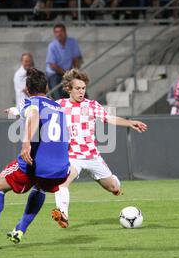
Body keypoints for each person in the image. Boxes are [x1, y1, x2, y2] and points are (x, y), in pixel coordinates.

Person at [0, 68, 71, 251]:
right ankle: (20, 230)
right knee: (40, 187)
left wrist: (26, 142)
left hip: (36, 163)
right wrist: (16, 111)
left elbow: (33, 113)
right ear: (47, 87)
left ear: (26, 89)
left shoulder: (31, 102)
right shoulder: (59, 108)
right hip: (60, 169)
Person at [51, 69, 148, 228]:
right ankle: (63, 215)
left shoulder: (92, 105)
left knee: (113, 187)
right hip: (73, 157)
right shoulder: (60, 105)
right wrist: (16, 110)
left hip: (92, 157)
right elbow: (38, 110)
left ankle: (115, 183)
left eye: (83, 88)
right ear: (69, 88)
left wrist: (129, 122)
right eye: (78, 88)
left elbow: (109, 118)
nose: (81, 91)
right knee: (62, 182)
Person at [46, 24, 82, 100]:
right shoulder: (52, 46)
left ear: (65, 32)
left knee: (78, 86)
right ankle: (58, 106)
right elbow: (53, 65)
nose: (59, 34)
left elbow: (76, 59)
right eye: (56, 32)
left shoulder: (72, 42)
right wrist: (66, 74)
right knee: (57, 93)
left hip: (68, 71)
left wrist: (74, 72)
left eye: (61, 31)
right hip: (54, 73)